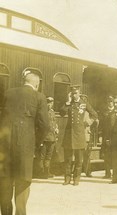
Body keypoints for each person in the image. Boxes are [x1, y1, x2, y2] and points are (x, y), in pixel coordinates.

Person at [0, 70, 49, 215]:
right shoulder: (39, 96)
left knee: (4, 184)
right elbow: (45, 125)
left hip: (4, 147)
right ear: (37, 84)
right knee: (22, 184)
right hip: (25, 148)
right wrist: (37, 143)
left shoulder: (8, 93)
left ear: (24, 81)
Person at [60, 85, 98, 186]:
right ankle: (67, 178)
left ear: (79, 93)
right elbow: (62, 113)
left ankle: (76, 178)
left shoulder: (84, 103)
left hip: (79, 134)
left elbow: (94, 114)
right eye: (72, 93)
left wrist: (87, 123)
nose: (74, 95)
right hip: (69, 134)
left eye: (76, 93)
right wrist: (67, 102)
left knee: (78, 159)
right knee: (67, 159)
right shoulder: (69, 103)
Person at [37, 96, 59, 179]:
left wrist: (56, 129)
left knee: (48, 156)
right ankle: (41, 172)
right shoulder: (42, 112)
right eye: (48, 103)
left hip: (52, 138)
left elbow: (54, 123)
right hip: (44, 138)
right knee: (42, 157)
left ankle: (46, 172)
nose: (50, 105)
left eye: (51, 103)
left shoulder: (52, 112)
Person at [100, 96, 114, 179]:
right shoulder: (104, 112)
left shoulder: (116, 112)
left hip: (114, 137)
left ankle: (116, 173)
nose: (110, 103)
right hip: (106, 136)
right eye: (109, 101)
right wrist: (100, 136)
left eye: (111, 101)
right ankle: (107, 173)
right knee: (107, 155)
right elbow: (101, 125)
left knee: (115, 155)